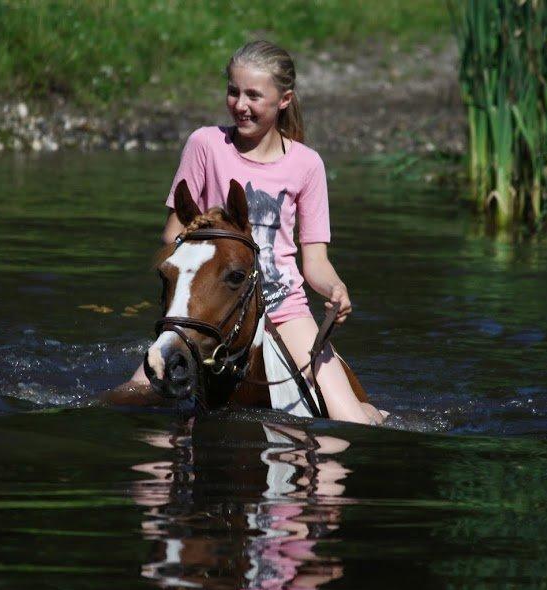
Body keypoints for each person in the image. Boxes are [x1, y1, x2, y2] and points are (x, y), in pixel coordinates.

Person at [124, 40, 382, 425]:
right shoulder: (205, 145)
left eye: (253, 95)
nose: (240, 104)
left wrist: (335, 290)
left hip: (284, 308)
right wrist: (204, 237)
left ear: (284, 99)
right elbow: (171, 236)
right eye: (233, 91)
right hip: (211, 305)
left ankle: (371, 414)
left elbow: (315, 262)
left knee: (352, 424)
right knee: (137, 392)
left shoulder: (307, 165)